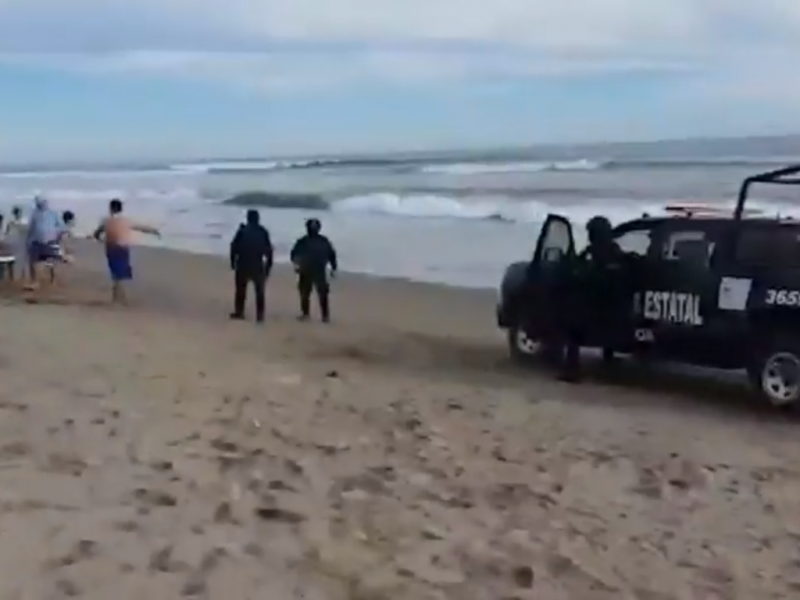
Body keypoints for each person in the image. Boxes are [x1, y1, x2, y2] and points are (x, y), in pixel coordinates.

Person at [558, 215, 629, 382]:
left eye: (590, 232)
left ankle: (572, 371)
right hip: (616, 307)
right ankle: (608, 361)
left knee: (572, 328)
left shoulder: (594, 253)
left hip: (597, 307)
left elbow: (583, 275)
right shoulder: (616, 252)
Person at [92, 198, 161, 305]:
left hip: (110, 248)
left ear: (111, 209)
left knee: (116, 274)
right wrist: (154, 231)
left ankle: (118, 298)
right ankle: (119, 299)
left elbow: (96, 234)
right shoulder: (126, 220)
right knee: (120, 275)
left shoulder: (105, 221)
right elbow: (141, 228)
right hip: (122, 248)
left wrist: (101, 240)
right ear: (121, 209)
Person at [228, 209, 273, 323]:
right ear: (258, 219)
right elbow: (269, 251)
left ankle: (239, 312)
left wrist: (233, 262)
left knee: (240, 290)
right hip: (257, 264)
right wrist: (268, 267)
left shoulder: (242, 231)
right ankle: (260, 315)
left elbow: (233, 247)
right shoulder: (263, 232)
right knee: (260, 291)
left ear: (248, 218)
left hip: (243, 263)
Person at [290, 218, 337, 322]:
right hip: (312, 270)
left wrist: (296, 265)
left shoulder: (304, 241)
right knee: (314, 293)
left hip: (311, 270)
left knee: (309, 293)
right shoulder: (322, 241)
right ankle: (322, 316)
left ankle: (310, 314)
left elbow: (294, 255)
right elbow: (332, 255)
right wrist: (333, 268)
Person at [26, 196, 65, 289]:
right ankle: (35, 282)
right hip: (36, 241)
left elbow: (62, 227)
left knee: (52, 262)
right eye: (39, 203)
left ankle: (53, 280)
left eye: (43, 203)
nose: (41, 205)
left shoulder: (53, 214)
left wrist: (54, 233)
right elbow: (31, 229)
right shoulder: (35, 214)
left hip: (50, 241)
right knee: (33, 262)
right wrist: (28, 241)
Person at [4, 205, 29, 282]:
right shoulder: (11, 222)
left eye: (19, 213)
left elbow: (26, 232)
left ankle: (22, 277)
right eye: (17, 213)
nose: (18, 214)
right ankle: (13, 277)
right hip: (15, 243)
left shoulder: (22, 221)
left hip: (20, 243)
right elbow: (7, 233)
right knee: (12, 261)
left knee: (21, 261)